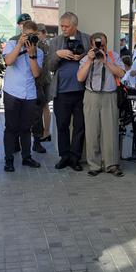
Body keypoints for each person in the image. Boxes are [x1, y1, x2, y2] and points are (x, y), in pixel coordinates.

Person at [77, 32, 126, 177]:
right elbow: (80, 77)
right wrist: (90, 61)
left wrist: (106, 62)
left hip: (109, 96)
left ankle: (111, 164)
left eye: (103, 44)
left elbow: (122, 73)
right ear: (92, 44)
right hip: (91, 96)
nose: (101, 47)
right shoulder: (87, 58)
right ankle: (94, 165)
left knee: (110, 131)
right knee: (92, 131)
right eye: (98, 44)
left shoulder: (113, 56)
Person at [48, 12, 91, 171]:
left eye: (67, 26)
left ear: (75, 25)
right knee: (62, 125)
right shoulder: (56, 41)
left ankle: (75, 158)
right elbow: (50, 66)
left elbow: (93, 60)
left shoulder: (86, 39)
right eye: (62, 26)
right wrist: (58, 55)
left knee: (80, 126)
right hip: (61, 91)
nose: (63, 29)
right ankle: (64, 156)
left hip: (82, 91)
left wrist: (83, 56)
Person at [1, 20, 43, 172]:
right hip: (12, 92)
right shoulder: (12, 45)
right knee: (11, 128)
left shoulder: (39, 52)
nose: (30, 39)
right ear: (22, 33)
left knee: (26, 128)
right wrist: (20, 45)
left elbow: (36, 73)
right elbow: (8, 61)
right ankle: (9, 160)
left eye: (33, 36)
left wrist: (32, 55)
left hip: (29, 93)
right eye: (27, 35)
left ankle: (26, 157)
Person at [31, 23, 52, 153]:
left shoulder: (42, 45)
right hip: (43, 79)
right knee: (43, 107)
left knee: (42, 107)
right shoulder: (45, 45)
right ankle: (45, 132)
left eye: (39, 33)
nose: (37, 36)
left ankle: (45, 132)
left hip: (42, 80)